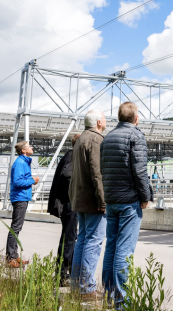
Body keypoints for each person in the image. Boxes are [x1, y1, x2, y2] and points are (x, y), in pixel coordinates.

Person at [100, 102, 152, 307]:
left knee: (111, 248)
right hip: (129, 201)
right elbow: (140, 170)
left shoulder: (107, 138)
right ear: (136, 118)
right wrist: (145, 196)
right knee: (124, 250)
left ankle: (109, 296)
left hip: (111, 200)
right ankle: (122, 303)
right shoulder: (135, 136)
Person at [69, 110, 107, 299]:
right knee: (93, 241)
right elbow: (97, 173)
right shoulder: (96, 140)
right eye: (105, 118)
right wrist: (103, 200)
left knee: (82, 240)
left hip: (79, 198)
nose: (106, 120)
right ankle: (86, 286)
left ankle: (77, 284)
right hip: (92, 200)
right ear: (99, 122)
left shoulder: (81, 138)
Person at [48, 132, 81, 285]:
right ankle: (62, 274)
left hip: (67, 202)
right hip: (70, 203)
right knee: (69, 239)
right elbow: (68, 174)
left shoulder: (69, 154)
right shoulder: (74, 155)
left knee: (69, 238)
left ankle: (66, 272)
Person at [6, 140, 40, 268]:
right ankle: (10, 258)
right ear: (24, 150)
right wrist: (33, 180)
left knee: (17, 228)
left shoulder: (24, 162)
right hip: (20, 198)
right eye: (29, 146)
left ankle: (14, 255)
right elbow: (18, 182)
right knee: (15, 228)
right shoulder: (20, 163)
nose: (32, 147)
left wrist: (31, 180)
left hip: (22, 197)